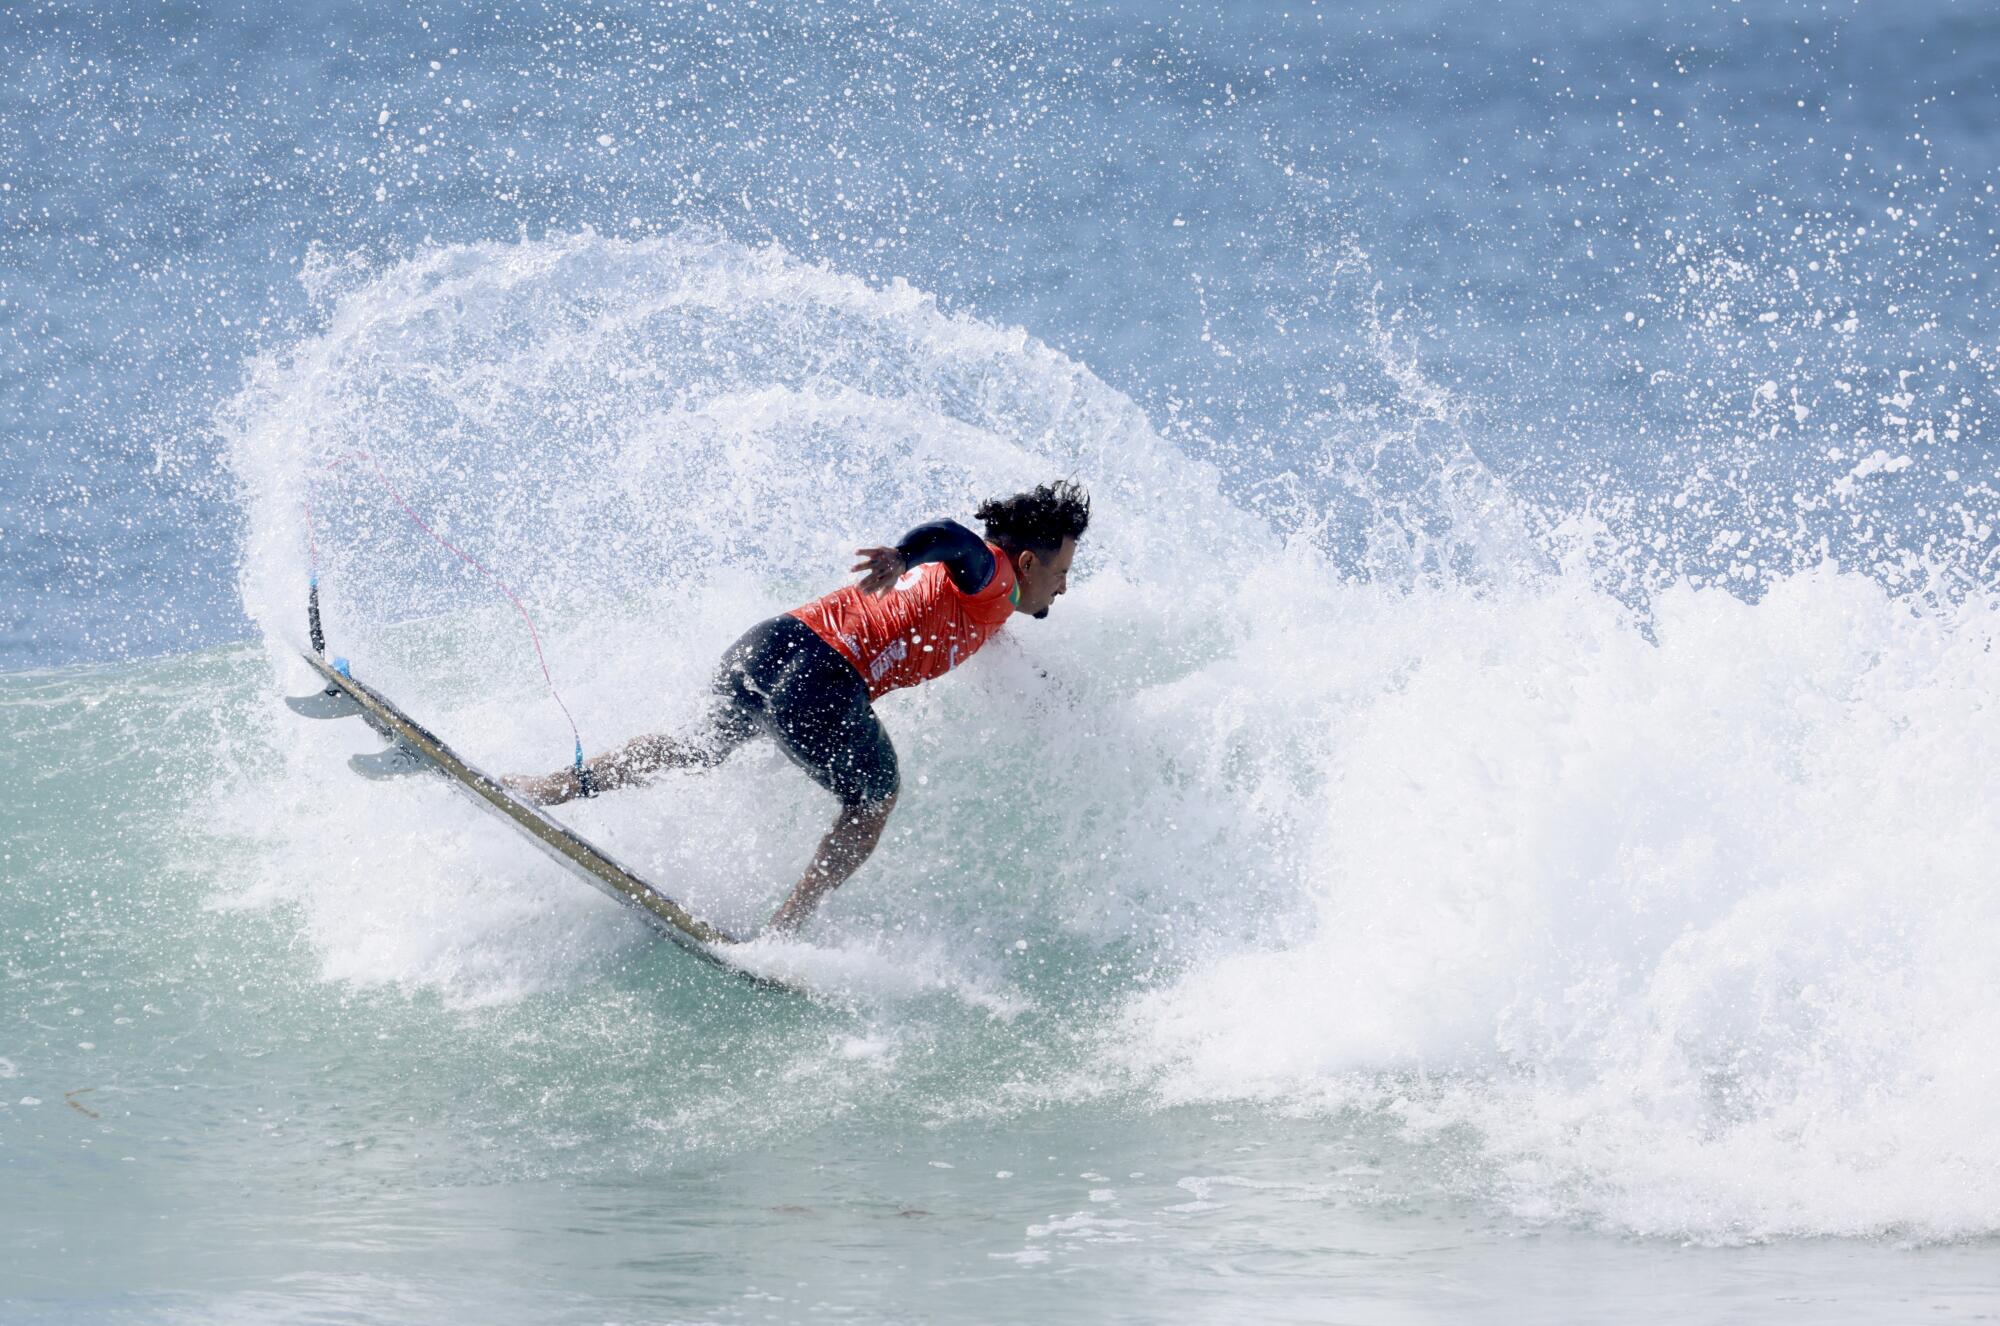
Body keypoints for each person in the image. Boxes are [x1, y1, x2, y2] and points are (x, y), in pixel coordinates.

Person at [505, 480, 1090, 935]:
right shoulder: (988, 575)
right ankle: (785, 932)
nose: (1064, 588)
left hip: (770, 644)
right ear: (1029, 564)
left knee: (695, 749)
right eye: (1062, 572)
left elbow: (988, 633)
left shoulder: (982, 606)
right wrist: (902, 555)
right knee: (875, 797)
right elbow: (950, 534)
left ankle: (542, 788)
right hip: (824, 679)